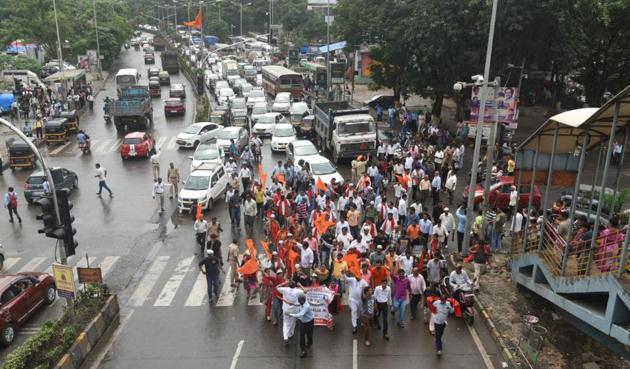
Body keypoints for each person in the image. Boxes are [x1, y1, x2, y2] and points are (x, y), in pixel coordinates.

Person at [276, 280, 304, 344]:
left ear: (289, 285)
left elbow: (276, 287)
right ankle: (290, 334)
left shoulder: (284, 289)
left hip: (286, 309)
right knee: (292, 322)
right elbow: (305, 291)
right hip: (295, 309)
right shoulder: (298, 291)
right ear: (295, 285)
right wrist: (300, 285)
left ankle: (285, 337)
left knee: (286, 323)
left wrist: (284, 283)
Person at [345, 270, 369, 334]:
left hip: (360, 300)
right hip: (352, 299)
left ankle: (357, 318)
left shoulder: (363, 282)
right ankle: (354, 326)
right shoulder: (352, 279)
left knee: (359, 311)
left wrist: (367, 294)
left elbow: (367, 288)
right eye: (356, 276)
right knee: (354, 310)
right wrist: (343, 274)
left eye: (358, 276)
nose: (357, 278)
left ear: (360, 276)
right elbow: (346, 278)